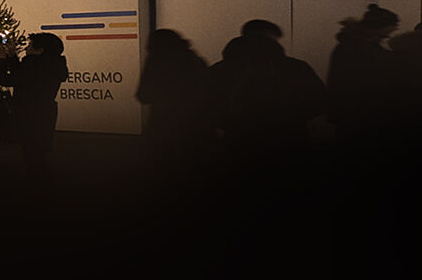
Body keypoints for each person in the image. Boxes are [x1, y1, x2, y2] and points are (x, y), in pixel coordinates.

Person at [209, 19, 325, 163]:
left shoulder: (221, 70)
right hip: (290, 145)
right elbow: (319, 102)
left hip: (239, 146)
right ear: (273, 39)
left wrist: (234, 125)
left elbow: (207, 107)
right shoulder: (296, 68)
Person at [135, 28, 212, 182]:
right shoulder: (195, 59)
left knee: (163, 170)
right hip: (195, 123)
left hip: (163, 122)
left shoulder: (156, 61)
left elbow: (144, 94)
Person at [324, 6, 398, 143]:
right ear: (381, 27)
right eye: (393, 25)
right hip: (363, 113)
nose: (395, 29)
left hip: (351, 113)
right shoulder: (365, 49)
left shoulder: (350, 46)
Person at [7, 31, 69, 186]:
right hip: (44, 111)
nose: (27, 49)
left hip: (30, 112)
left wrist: (3, 60)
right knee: (36, 151)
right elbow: (19, 76)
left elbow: (10, 79)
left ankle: (41, 186)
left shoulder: (35, 66)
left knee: (32, 152)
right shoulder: (51, 64)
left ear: (40, 50)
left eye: (30, 46)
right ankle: (42, 183)